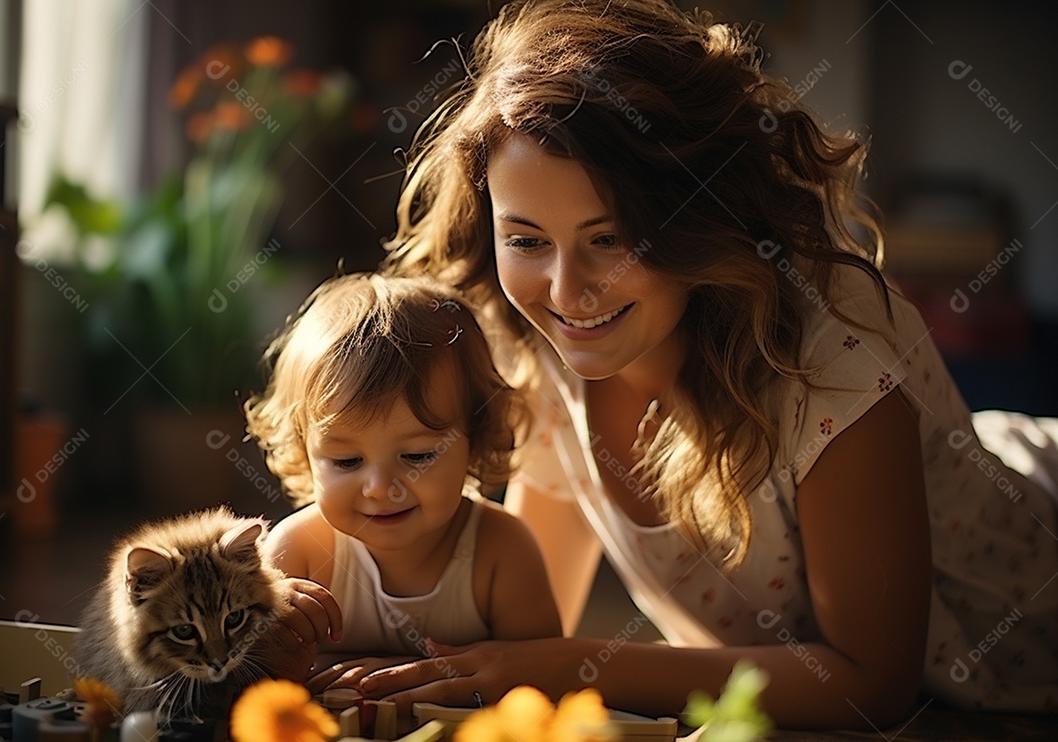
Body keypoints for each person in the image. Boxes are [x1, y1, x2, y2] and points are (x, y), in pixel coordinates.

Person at [356, 0, 1058, 729]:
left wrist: (568, 668)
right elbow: (532, 633)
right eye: (527, 240)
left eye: (612, 238)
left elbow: (868, 685)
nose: (566, 292)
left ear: (700, 218)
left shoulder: (831, 359)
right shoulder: (539, 345)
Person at [243, 272, 562, 691]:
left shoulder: (501, 553)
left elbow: (545, 679)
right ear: (304, 452)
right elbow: (246, 686)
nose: (380, 487)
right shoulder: (299, 553)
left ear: (478, 440)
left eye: (417, 456)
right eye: (346, 460)